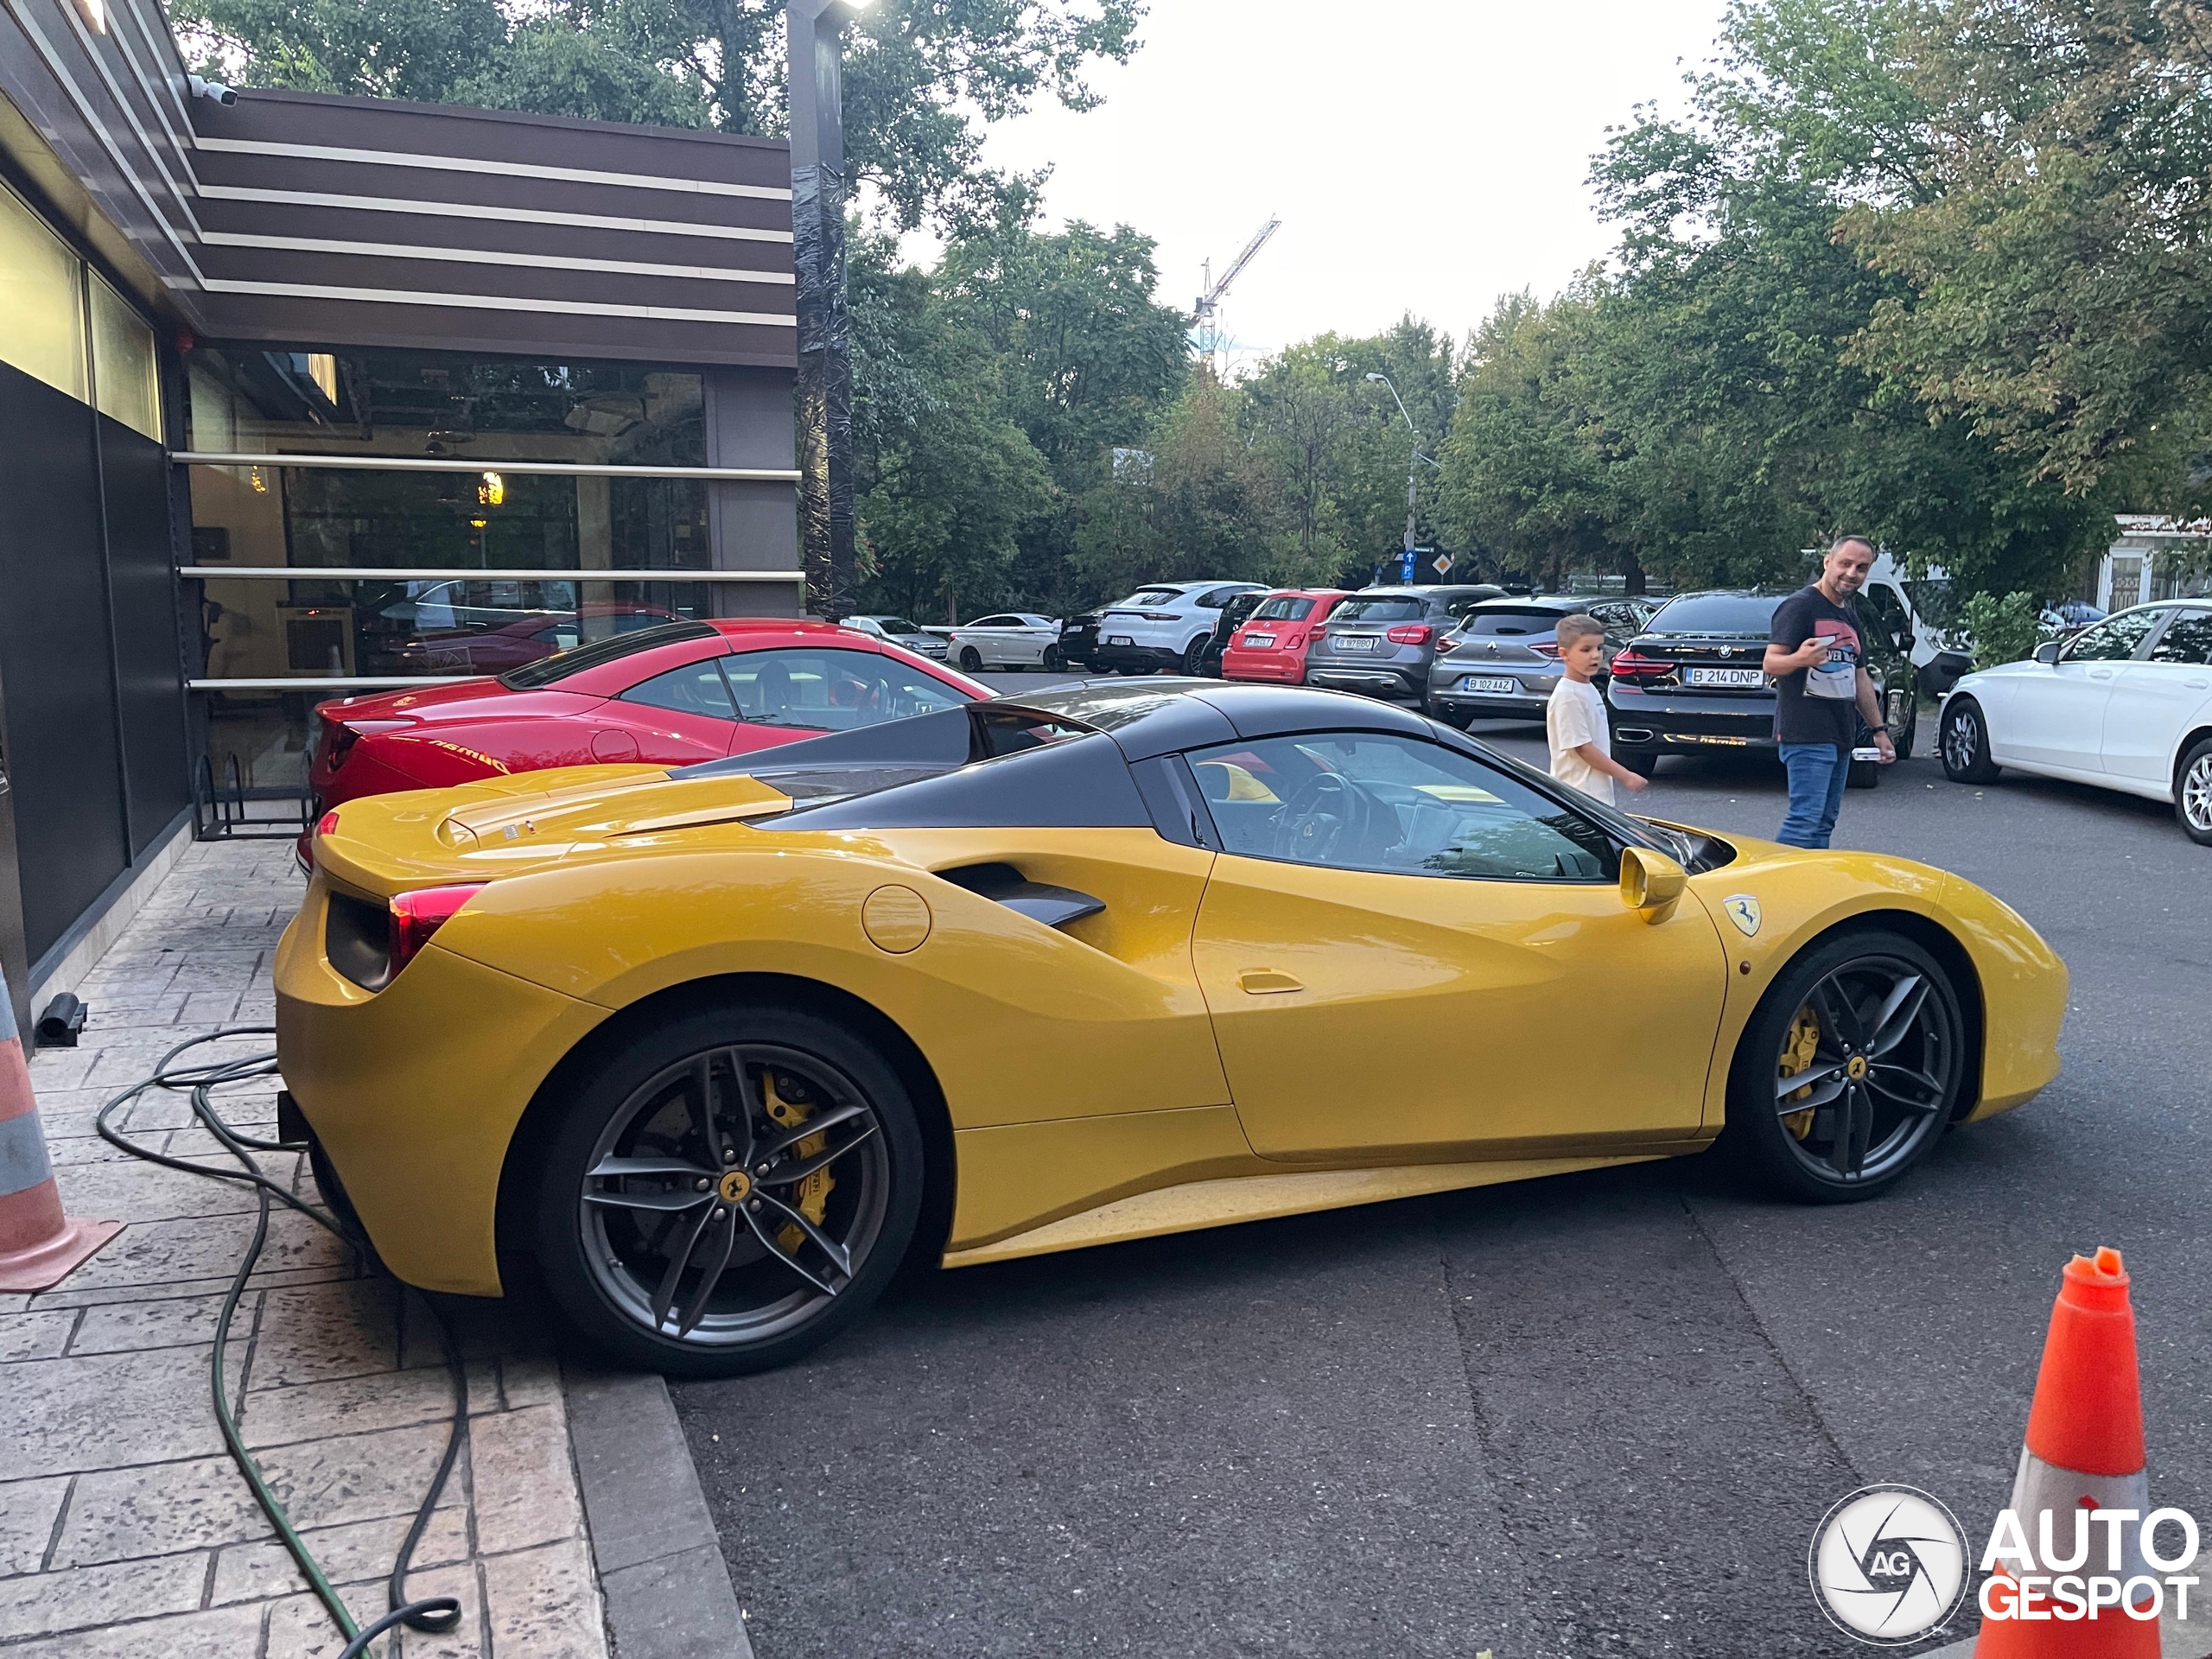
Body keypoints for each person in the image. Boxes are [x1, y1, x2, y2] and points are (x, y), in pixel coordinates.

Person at [1763, 536, 1897, 848]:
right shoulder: (1801, 606)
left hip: (1841, 733)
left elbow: (1860, 677)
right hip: (1806, 732)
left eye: (1861, 568)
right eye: (1845, 564)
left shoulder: (1849, 614)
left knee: (1824, 822)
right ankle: (1773, 887)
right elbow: (1771, 662)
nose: (1852, 573)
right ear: (1827, 562)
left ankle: (1808, 890)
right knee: (1805, 821)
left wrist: (1878, 730)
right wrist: (1801, 659)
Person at [1548, 613, 1647, 804]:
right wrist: (1626, 776)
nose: (1595, 655)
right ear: (1564, 654)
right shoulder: (1568, 696)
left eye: (1599, 648)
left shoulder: (1587, 688)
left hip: (1595, 795)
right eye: (1586, 649)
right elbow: (1583, 748)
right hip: (1578, 796)